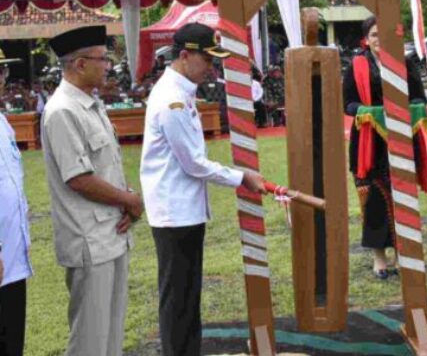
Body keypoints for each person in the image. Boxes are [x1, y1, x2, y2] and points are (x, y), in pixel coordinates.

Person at [140, 22, 266, 356]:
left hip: (183, 208)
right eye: (207, 60)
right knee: (179, 297)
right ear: (184, 56)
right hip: (174, 212)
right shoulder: (172, 100)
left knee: (186, 294)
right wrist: (241, 177)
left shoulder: (181, 91)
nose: (211, 68)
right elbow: (194, 163)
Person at [41, 25, 144, 356]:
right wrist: (129, 200)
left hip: (111, 233)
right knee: (89, 341)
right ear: (79, 64)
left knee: (111, 338)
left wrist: (125, 201)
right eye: (103, 59)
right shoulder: (62, 110)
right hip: (88, 239)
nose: (108, 65)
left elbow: (105, 168)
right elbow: (79, 178)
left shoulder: (91, 105)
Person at [343, 16, 427, 280]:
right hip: (369, 143)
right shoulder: (356, 65)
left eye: (384, 34)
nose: (379, 40)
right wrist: (368, 111)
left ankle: (406, 255)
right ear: (366, 39)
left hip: (402, 138)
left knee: (403, 197)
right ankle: (380, 258)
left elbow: (419, 97)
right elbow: (347, 104)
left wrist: (411, 108)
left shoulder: (406, 62)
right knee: (375, 200)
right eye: (374, 35)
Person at [0, 49, 32, 356]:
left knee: (13, 338)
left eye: (3, 73)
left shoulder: (3, 121)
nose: (1, 80)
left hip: (13, 251)